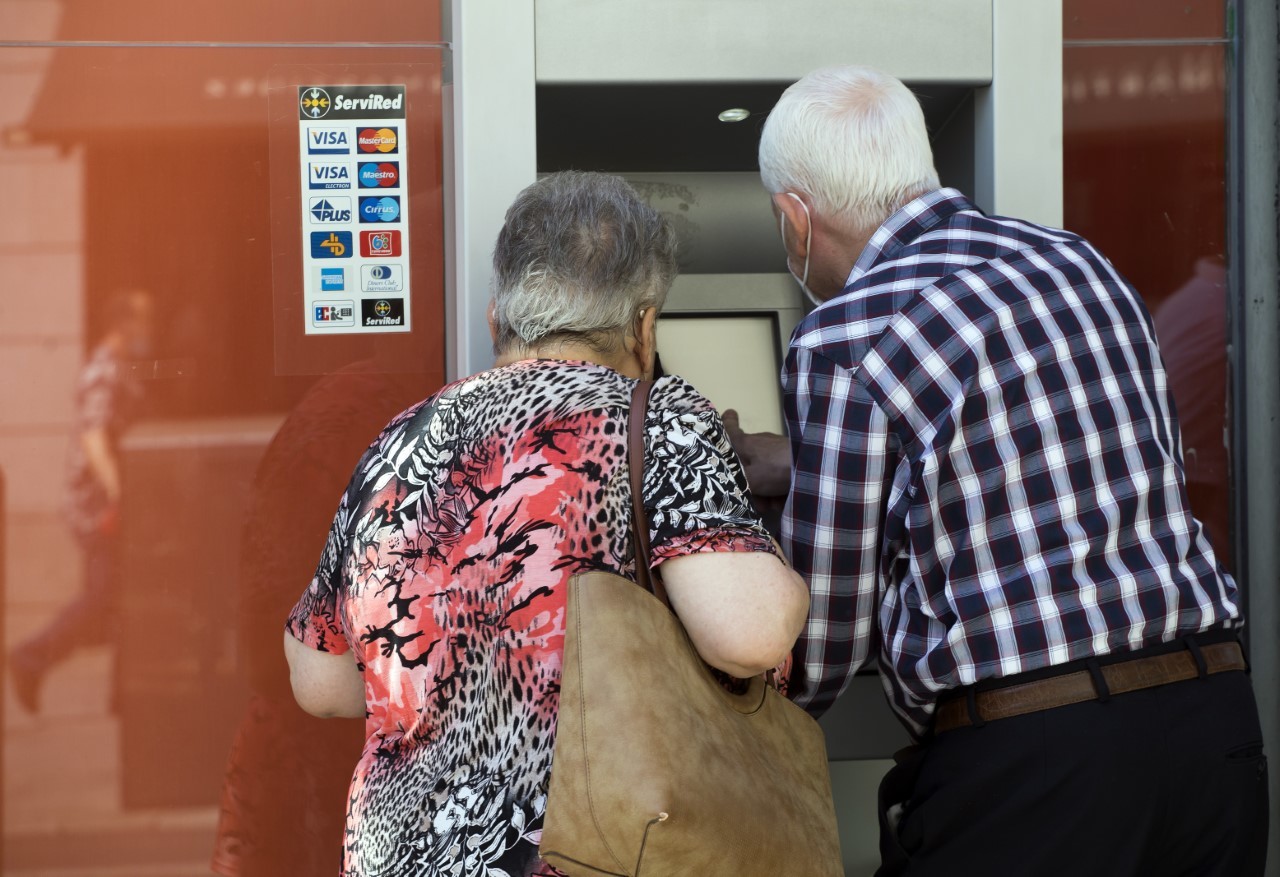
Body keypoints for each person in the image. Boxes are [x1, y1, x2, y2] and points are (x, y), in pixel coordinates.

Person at [731, 66, 1268, 875]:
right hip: (1212, 727)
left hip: (1041, 766)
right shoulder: (1081, 265)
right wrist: (797, 462)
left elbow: (818, 642)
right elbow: (1041, 452)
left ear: (794, 218)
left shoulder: (843, 336)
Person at [282, 171, 808, 877]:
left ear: (499, 319)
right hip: (588, 853)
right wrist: (780, 566)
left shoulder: (399, 442)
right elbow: (750, 632)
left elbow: (323, 680)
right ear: (645, 328)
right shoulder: (659, 418)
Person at [9, 288, 153, 713]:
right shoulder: (103, 373)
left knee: (117, 599)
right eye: (142, 318)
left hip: (105, 505)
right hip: (99, 509)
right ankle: (29, 658)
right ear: (123, 323)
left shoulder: (117, 369)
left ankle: (122, 696)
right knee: (100, 599)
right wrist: (119, 494)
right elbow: (93, 439)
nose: (149, 327)